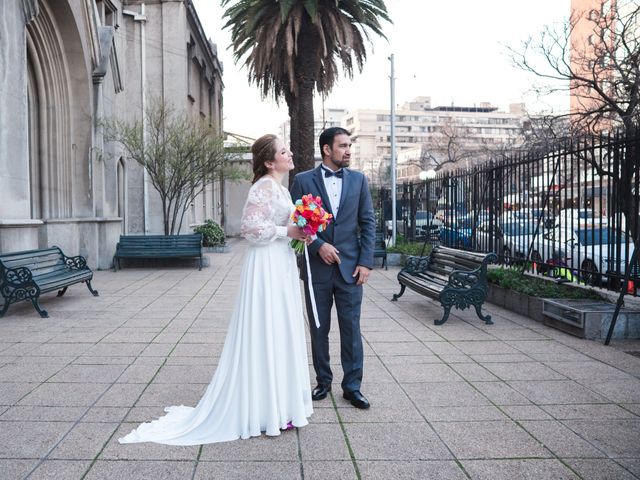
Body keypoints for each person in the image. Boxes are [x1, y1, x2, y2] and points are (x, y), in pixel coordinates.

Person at [118, 134, 313, 445]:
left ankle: (277, 405)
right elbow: (249, 228)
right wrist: (285, 230)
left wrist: (303, 232)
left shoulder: (279, 188)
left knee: (280, 329)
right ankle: (263, 408)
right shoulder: (263, 186)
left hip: (281, 262)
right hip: (265, 265)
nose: (290, 154)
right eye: (283, 151)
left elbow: (281, 226)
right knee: (266, 328)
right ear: (268, 161)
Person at [290, 127, 375, 409]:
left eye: (349, 145)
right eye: (343, 146)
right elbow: (296, 221)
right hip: (317, 269)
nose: (348, 150)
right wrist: (317, 246)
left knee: (351, 328)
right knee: (319, 328)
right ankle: (322, 381)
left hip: (351, 269)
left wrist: (365, 262)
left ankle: (352, 387)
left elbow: (368, 223)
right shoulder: (302, 181)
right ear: (327, 149)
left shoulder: (360, 180)